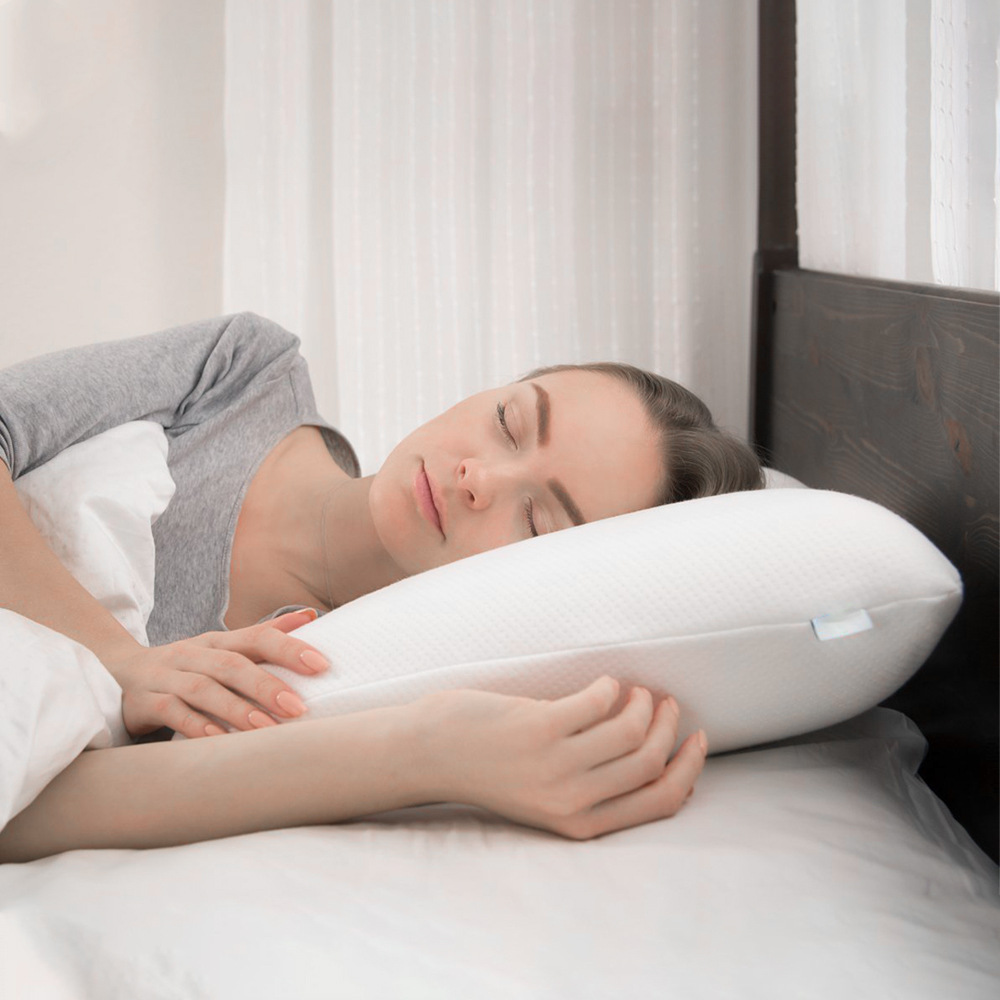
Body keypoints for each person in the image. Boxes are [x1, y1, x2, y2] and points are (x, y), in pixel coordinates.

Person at [0, 313, 763, 862]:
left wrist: (433, 754)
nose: (478, 476)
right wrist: (119, 659)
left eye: (536, 521)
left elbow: (33, 809)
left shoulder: (334, 676)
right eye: (509, 420)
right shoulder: (245, 375)